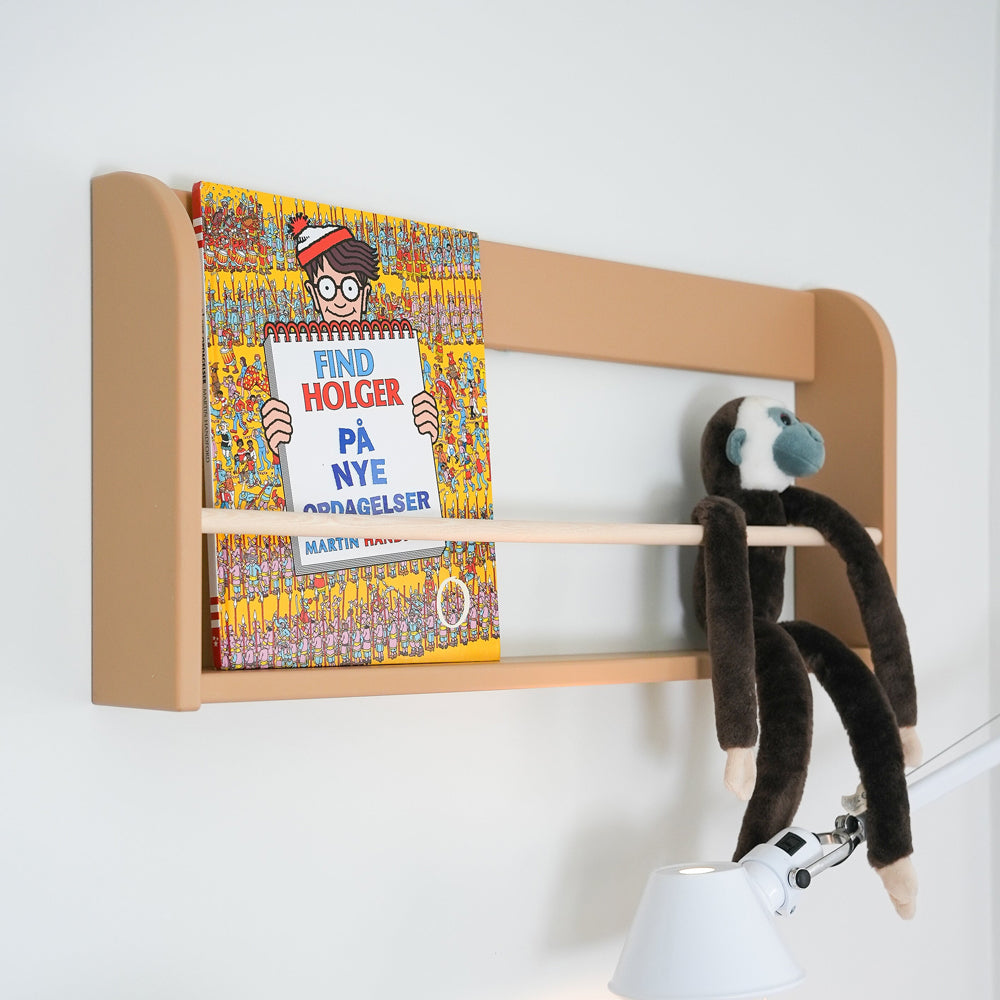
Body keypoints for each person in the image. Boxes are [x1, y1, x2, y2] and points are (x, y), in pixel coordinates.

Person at [260, 214, 438, 452]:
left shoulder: (390, 353)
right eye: (327, 288)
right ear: (314, 294)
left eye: (350, 288)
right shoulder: (296, 358)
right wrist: (278, 444)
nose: (340, 301)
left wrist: (426, 435)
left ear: (364, 295)